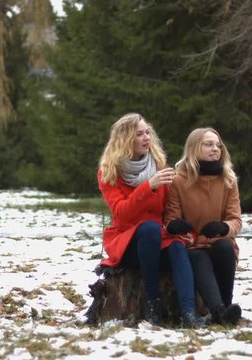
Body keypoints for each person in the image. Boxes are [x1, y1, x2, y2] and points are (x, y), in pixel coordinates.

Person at [97, 113, 205, 328]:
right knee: (148, 229)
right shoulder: (109, 172)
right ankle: (152, 305)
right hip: (129, 244)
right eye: (139, 134)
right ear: (125, 139)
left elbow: (170, 210)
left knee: (176, 245)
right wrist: (148, 186)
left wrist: (183, 231)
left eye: (148, 132)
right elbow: (121, 213)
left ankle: (189, 314)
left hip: (159, 239)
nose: (147, 137)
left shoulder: (158, 166)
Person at [164, 127, 243, 326]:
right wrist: (175, 226)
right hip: (192, 246)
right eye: (208, 144)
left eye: (218, 145)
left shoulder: (228, 179)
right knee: (198, 255)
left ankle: (226, 306)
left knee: (225, 247)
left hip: (218, 242)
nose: (215, 149)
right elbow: (170, 219)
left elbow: (236, 220)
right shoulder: (179, 180)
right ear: (193, 148)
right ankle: (218, 312)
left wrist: (223, 228)